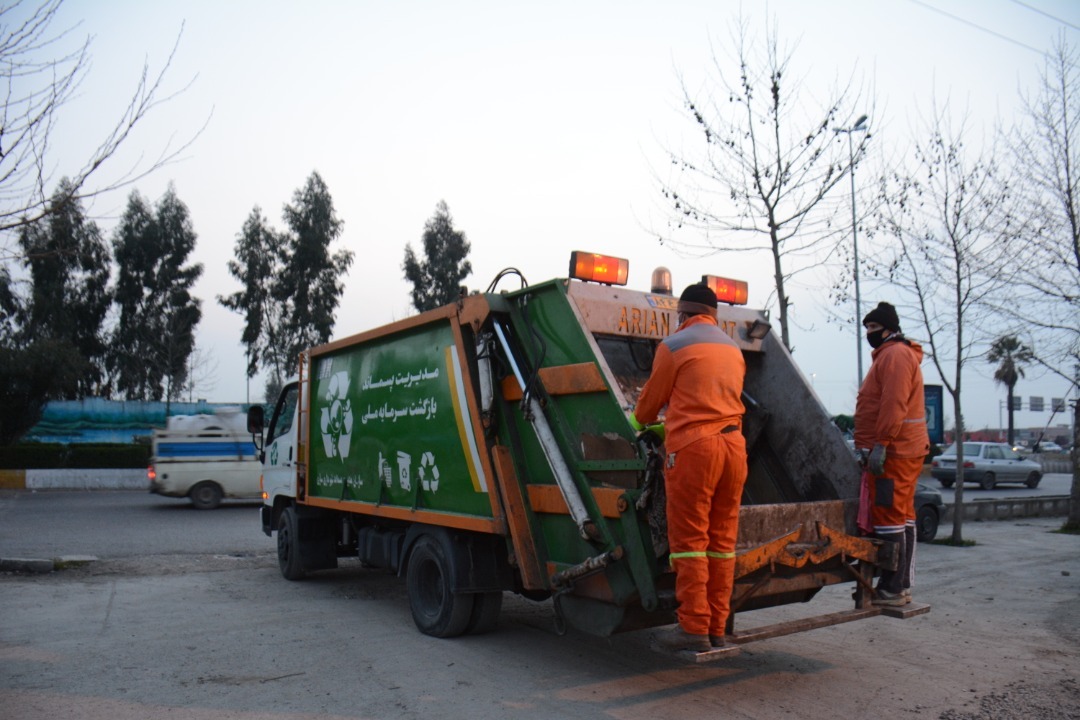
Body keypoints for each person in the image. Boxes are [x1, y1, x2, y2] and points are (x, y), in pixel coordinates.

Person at [631, 283, 747, 652]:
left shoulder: (674, 346)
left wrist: (642, 422)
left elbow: (647, 407)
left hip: (696, 452)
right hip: (734, 448)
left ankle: (693, 627)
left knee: (690, 543)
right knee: (722, 543)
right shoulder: (733, 349)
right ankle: (716, 626)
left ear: (682, 314)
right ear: (713, 315)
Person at [854, 302, 930, 606]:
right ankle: (902, 584)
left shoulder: (896, 356)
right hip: (903, 449)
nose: (869, 334)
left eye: (873, 328)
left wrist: (881, 443)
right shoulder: (894, 354)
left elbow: (892, 404)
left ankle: (892, 588)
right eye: (867, 329)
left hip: (895, 452)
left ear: (889, 329)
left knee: (888, 517)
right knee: (903, 516)